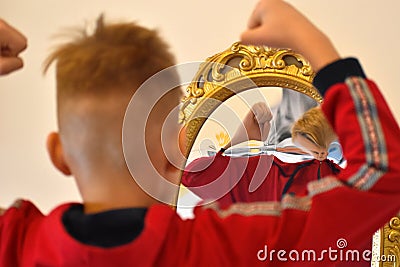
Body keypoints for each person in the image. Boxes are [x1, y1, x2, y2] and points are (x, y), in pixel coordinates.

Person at [0, 0, 399, 265]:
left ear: (58, 153)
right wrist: (315, 46)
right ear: (176, 151)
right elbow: (382, 176)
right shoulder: (225, 247)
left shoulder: (14, 243)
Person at [182, 103, 342, 207]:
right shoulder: (257, 168)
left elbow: (192, 176)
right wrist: (239, 141)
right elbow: (192, 175)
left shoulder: (333, 177)